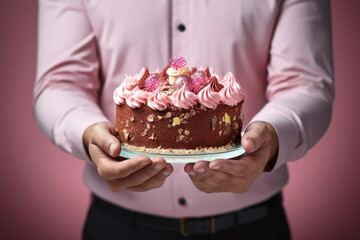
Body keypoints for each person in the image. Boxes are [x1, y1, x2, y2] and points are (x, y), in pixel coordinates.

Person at [33, 0, 334, 239]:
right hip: (119, 226)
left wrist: (272, 135)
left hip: (252, 225)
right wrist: (87, 135)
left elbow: (305, 83)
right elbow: (60, 82)